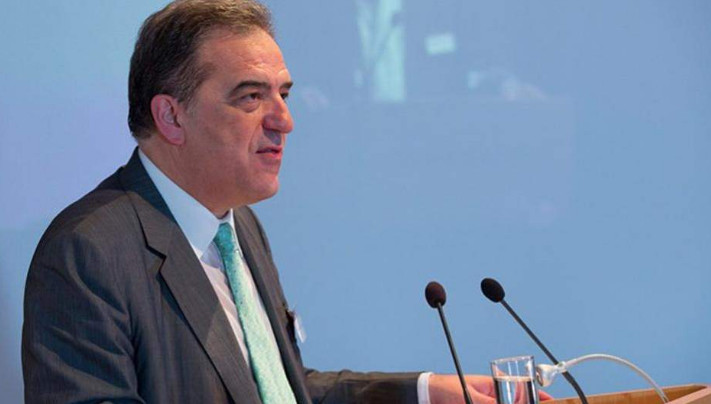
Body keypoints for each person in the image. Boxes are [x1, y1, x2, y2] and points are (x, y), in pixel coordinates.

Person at [22, 1, 513, 403]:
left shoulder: (240, 227)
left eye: (284, 95)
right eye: (251, 97)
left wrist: (426, 393)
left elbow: (277, 389)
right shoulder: (87, 253)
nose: (284, 121)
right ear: (171, 117)